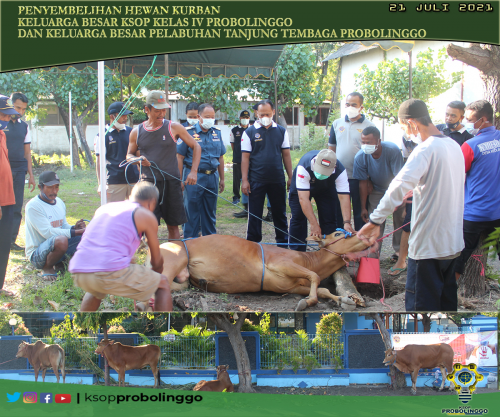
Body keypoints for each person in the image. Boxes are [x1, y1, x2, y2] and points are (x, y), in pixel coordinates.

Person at [357, 99, 465, 312]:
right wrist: (417, 189)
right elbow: (442, 183)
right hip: (452, 245)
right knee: (445, 309)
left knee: (419, 313)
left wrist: (376, 219)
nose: (406, 133)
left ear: (413, 123)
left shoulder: (425, 149)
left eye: (404, 127)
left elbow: (397, 186)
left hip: (428, 249)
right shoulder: (453, 146)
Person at [69, 182, 172, 311]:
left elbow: (100, 240)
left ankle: (81, 329)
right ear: (151, 203)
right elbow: (156, 261)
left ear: (131, 196)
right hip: (107, 271)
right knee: (162, 284)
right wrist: (153, 280)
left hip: (80, 270)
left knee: (96, 291)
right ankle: (164, 330)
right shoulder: (145, 215)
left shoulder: (105, 208)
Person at [126, 90, 201, 241]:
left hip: (171, 182)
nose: (161, 114)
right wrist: (138, 159)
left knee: (173, 225)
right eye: (157, 110)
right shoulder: (137, 132)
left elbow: (196, 147)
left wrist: (193, 172)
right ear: (146, 109)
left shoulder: (174, 128)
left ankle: (176, 261)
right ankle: (152, 260)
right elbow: (129, 155)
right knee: (149, 225)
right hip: (148, 184)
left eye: (163, 110)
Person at [454, 100, 500, 280]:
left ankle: (449, 296)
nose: (466, 122)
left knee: (459, 258)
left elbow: (457, 175)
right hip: (497, 214)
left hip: (474, 213)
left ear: (483, 119)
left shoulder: (470, 145)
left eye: (470, 119)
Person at [241, 99, 293, 246]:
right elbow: (245, 157)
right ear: (256, 113)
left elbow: (286, 155)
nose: (265, 116)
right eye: (262, 113)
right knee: (254, 214)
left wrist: (290, 177)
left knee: (280, 213)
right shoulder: (249, 132)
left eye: (268, 114)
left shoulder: (281, 131)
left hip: (277, 179)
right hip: (256, 180)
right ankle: (253, 244)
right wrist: (245, 180)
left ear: (273, 112)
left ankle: (282, 243)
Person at [353, 126, 405, 263]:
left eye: (369, 142)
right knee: (375, 220)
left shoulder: (392, 151)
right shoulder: (360, 157)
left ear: (379, 141)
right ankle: (373, 255)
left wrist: (398, 200)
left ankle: (399, 253)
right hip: (377, 189)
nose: (365, 145)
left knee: (400, 219)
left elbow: (398, 179)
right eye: (363, 142)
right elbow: (363, 183)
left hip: (395, 188)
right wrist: (363, 207)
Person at [25, 171, 86, 281]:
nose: (54, 191)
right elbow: (47, 233)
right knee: (61, 240)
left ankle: (61, 263)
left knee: (86, 236)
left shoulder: (59, 202)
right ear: (40, 187)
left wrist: (75, 228)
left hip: (55, 244)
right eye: (50, 187)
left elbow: (63, 226)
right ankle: (47, 267)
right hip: (37, 254)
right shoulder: (33, 206)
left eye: (56, 187)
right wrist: (75, 232)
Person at [288, 149, 353, 251]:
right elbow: (303, 199)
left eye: (325, 172)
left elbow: (344, 197)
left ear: (333, 168)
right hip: (302, 189)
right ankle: (297, 252)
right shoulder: (304, 167)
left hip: (326, 188)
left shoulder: (340, 171)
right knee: (298, 217)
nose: (321, 173)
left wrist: (347, 222)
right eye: (319, 170)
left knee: (330, 218)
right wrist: (314, 224)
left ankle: (329, 251)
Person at [328, 92, 375, 231]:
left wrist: (370, 179)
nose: (350, 107)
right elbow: (331, 149)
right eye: (347, 104)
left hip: (360, 178)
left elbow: (373, 155)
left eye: (354, 105)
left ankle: (360, 245)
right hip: (340, 176)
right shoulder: (337, 124)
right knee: (339, 213)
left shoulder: (369, 126)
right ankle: (341, 243)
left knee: (361, 212)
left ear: (361, 107)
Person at [177, 103, 225, 238]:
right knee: (191, 211)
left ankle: (210, 243)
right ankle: (190, 243)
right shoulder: (188, 132)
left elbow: (220, 157)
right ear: (199, 117)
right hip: (194, 177)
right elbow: (179, 157)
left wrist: (222, 178)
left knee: (210, 212)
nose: (210, 119)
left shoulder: (217, 132)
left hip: (212, 177)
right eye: (207, 116)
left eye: (213, 116)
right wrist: (180, 179)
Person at [5, 93, 36, 251]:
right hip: (4, 169)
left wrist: (30, 174)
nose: (21, 112)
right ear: (10, 104)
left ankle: (11, 241)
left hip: (19, 170)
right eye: (18, 107)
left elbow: (27, 152)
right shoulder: (2, 123)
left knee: (16, 206)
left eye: (24, 109)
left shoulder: (24, 126)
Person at [94, 101, 139, 202]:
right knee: (114, 213)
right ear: (112, 116)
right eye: (122, 115)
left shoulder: (131, 132)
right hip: (114, 182)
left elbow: (138, 155)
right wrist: (101, 184)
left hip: (134, 180)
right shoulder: (102, 135)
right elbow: (99, 161)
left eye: (126, 115)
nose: (125, 118)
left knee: (135, 212)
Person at [0, 95, 19, 297]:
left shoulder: (2, 135)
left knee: (3, 244)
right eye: (3, 115)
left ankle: (0, 285)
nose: (6, 120)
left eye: (8, 116)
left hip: (7, 199)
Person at [229, 109, 251, 205]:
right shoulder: (234, 130)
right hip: (238, 159)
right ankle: (236, 196)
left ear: (249, 119)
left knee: (249, 178)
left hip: (250, 159)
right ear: (240, 118)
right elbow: (233, 144)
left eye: (247, 118)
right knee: (236, 179)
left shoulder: (252, 130)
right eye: (243, 117)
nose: (245, 119)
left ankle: (249, 195)